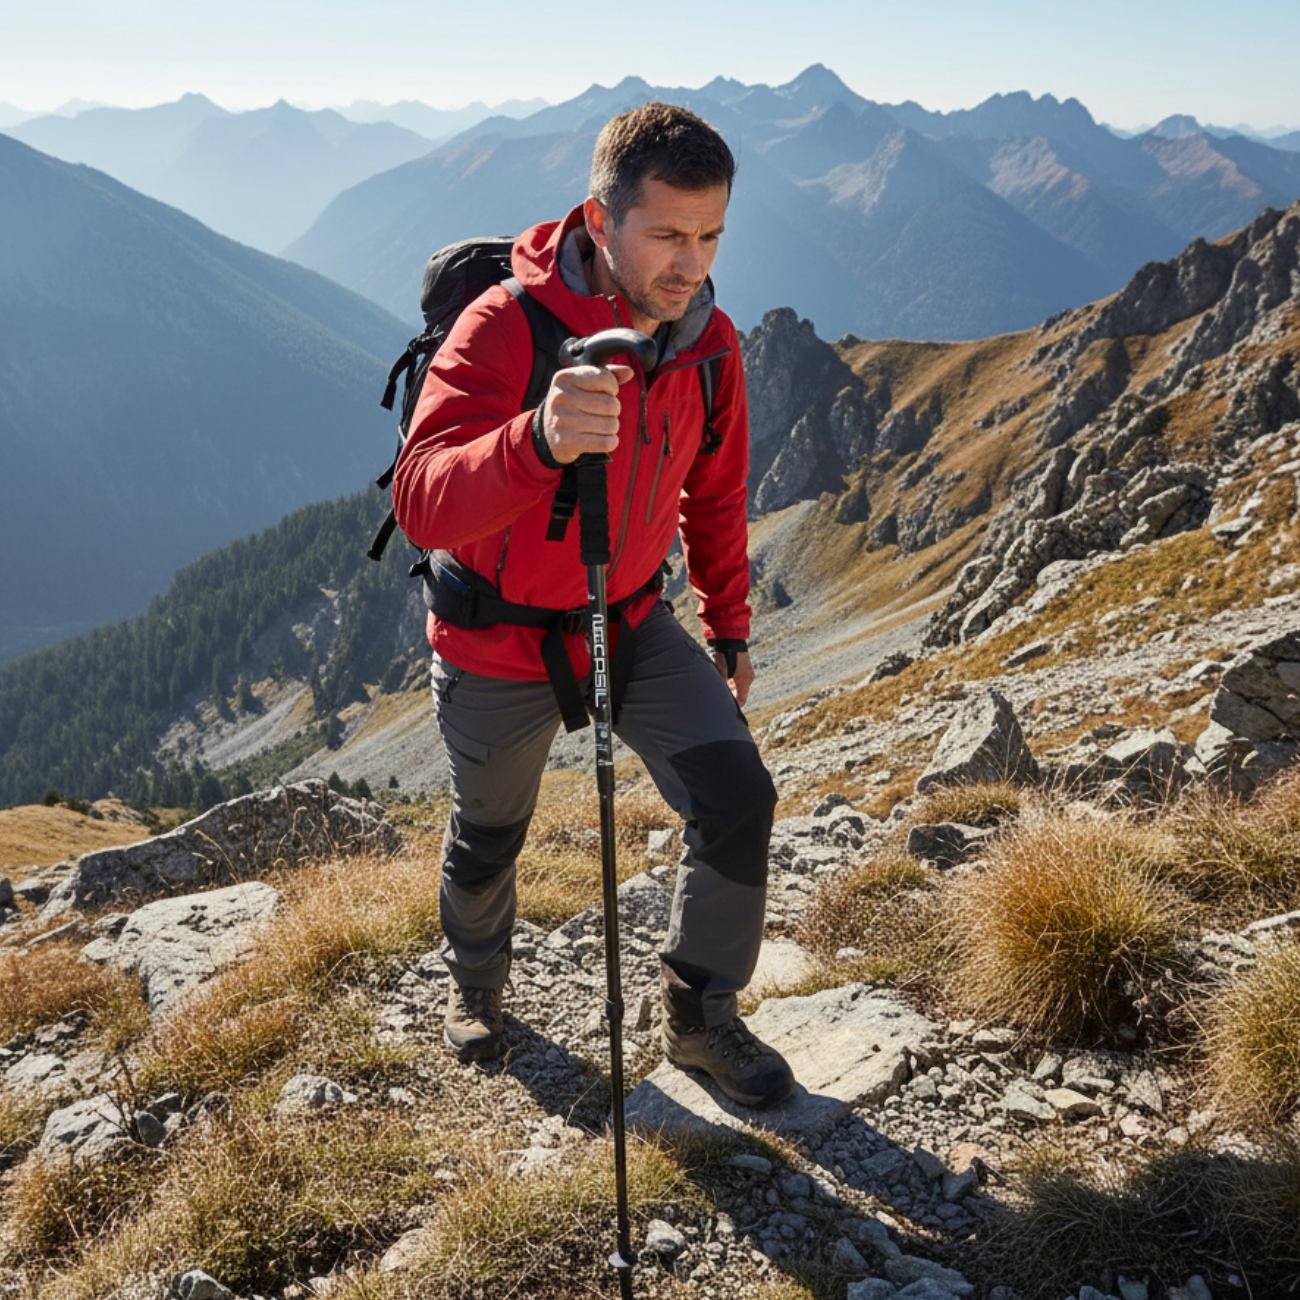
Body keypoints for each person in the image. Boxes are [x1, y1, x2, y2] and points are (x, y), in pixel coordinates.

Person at [392, 102, 795, 1108]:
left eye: (708, 236)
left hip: (629, 620)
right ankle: (478, 991)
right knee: (489, 833)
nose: (688, 263)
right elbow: (421, 494)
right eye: (664, 233)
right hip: (495, 632)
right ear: (600, 219)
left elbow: (714, 493)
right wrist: (534, 440)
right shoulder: (505, 325)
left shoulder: (707, 344)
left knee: (737, 796)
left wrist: (729, 622)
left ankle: (702, 1019)